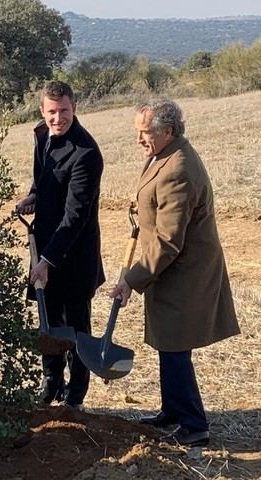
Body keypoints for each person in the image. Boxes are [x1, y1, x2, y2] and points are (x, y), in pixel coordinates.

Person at [110, 99, 240, 447]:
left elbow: (168, 241)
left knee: (175, 347)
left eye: (144, 132)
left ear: (168, 131)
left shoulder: (178, 169)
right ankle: (172, 411)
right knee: (168, 343)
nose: (139, 139)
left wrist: (131, 280)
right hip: (169, 271)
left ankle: (194, 425)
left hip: (184, 273)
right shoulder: (164, 155)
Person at [16, 80, 105, 410]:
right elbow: (43, 179)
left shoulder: (86, 153)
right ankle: (50, 383)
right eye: (52, 112)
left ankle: (75, 396)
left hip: (74, 256)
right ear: (43, 110)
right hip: (44, 248)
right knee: (47, 321)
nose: (58, 118)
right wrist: (34, 195)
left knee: (76, 329)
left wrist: (47, 262)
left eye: (64, 111)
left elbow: (75, 216)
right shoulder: (41, 135)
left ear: (75, 108)